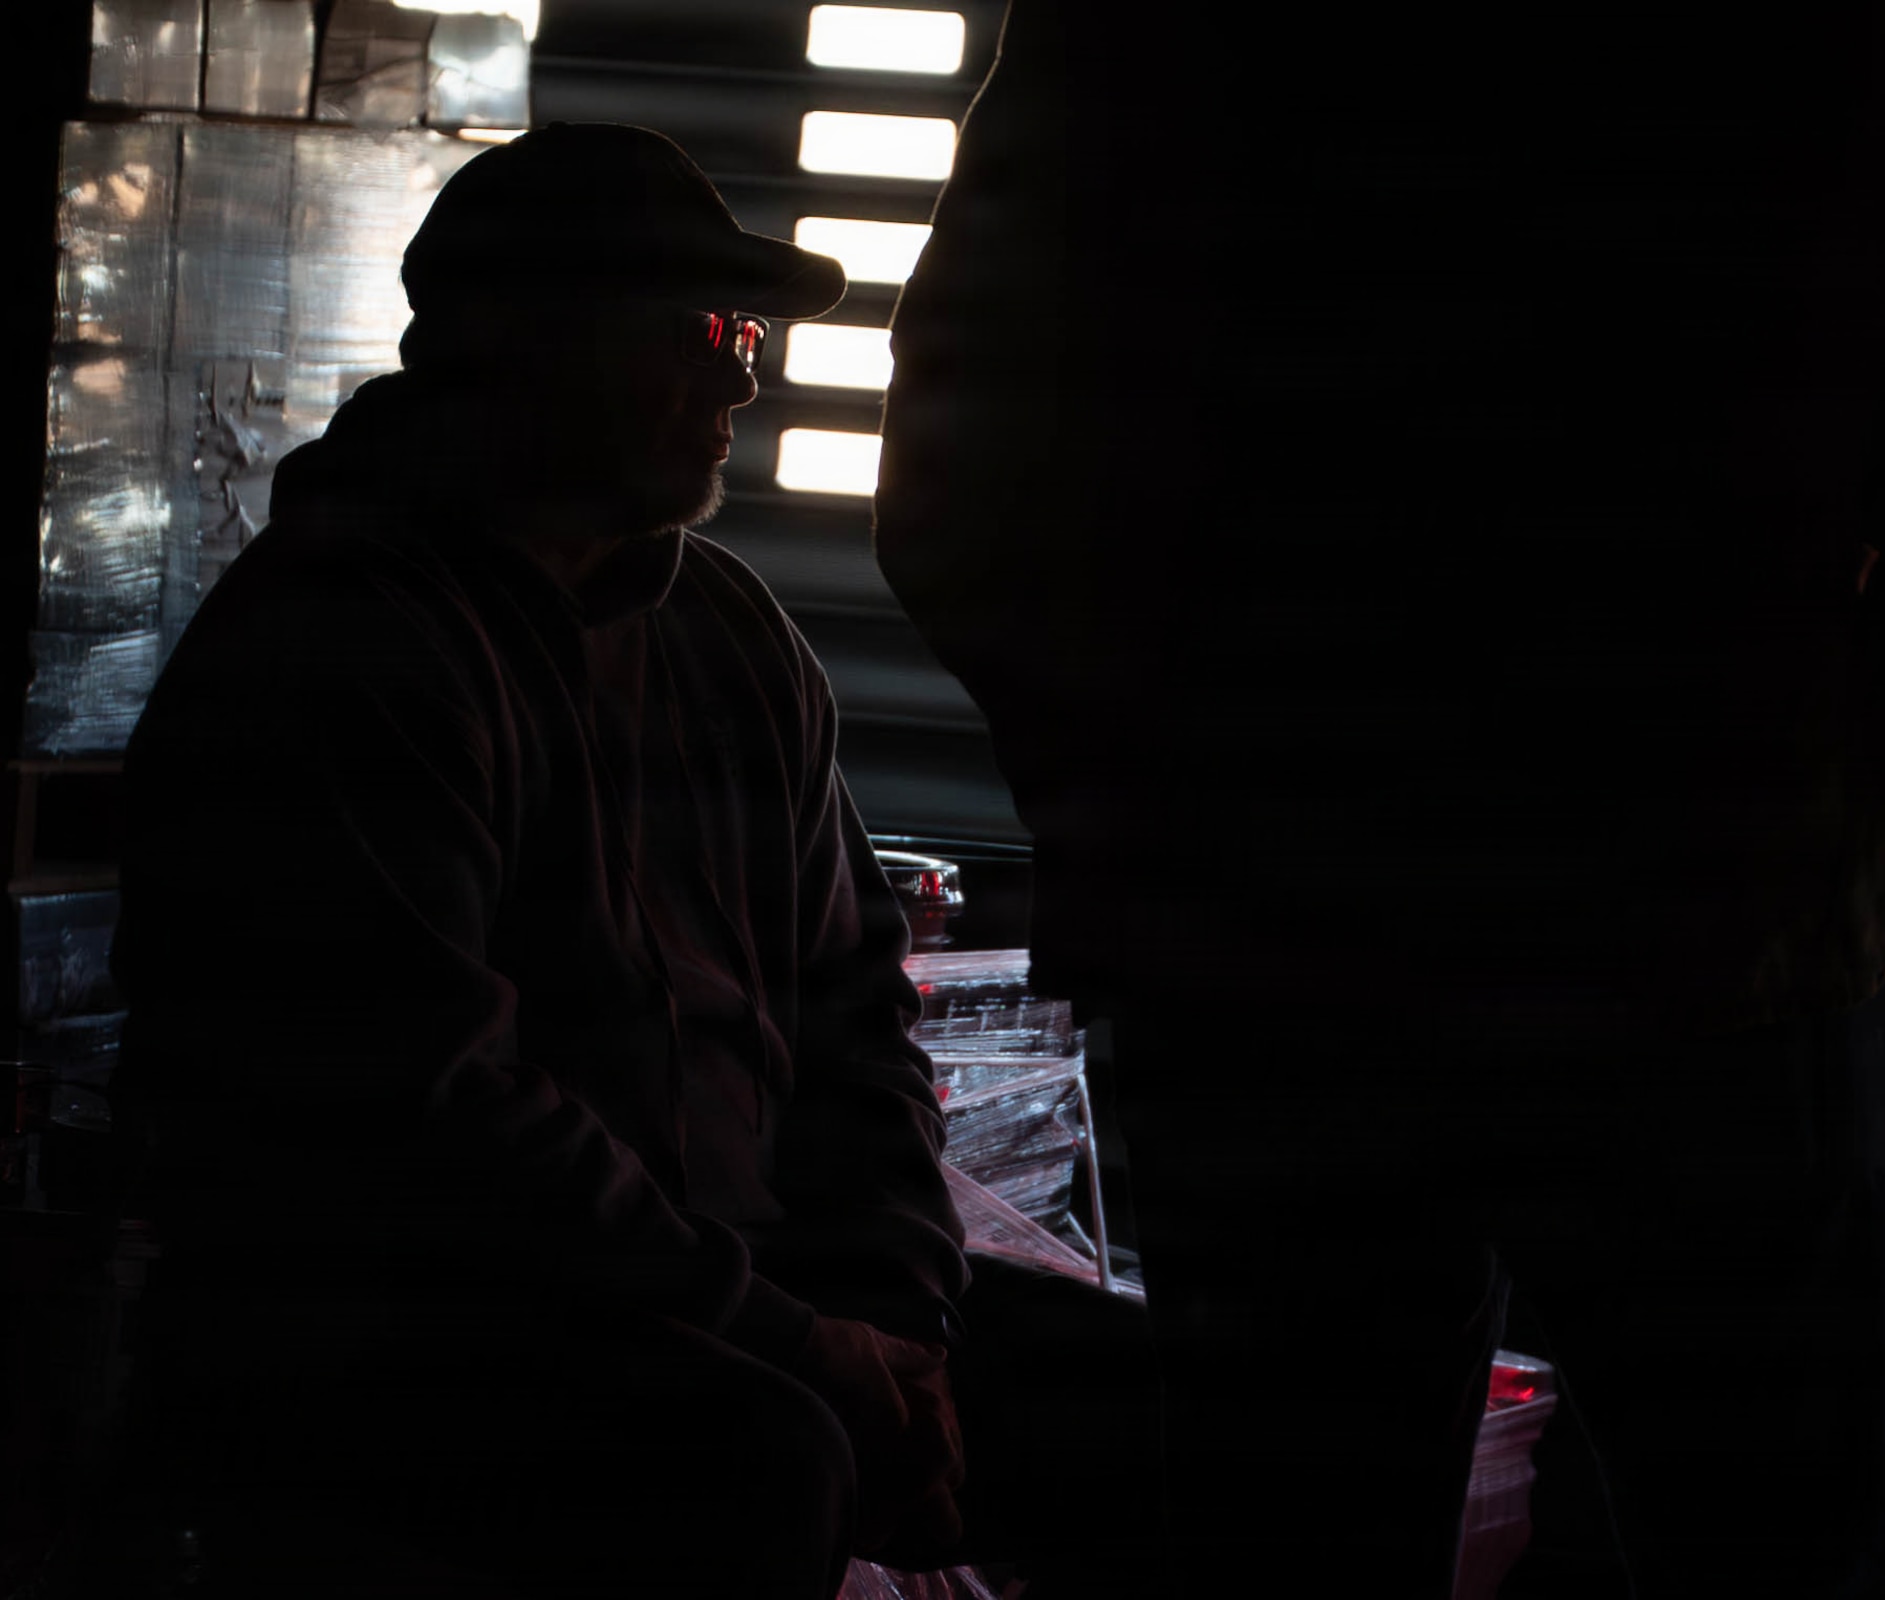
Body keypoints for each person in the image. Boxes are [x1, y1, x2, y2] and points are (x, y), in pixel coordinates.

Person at [875, 4, 1885, 1595]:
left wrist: (1153, 813)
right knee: (1783, 1536)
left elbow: (954, 488)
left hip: (1274, 956)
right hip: (1720, 939)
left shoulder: (1157, 48)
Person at [107, 121, 1163, 1598]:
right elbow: (438, 1120)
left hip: (720, 1300)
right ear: (525, 344)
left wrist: (895, 1326)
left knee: (1138, 1408)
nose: (744, 376)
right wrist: (804, 1347)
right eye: (705, 328)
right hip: (415, 1329)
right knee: (764, 1452)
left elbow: (859, 1015)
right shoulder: (348, 638)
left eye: (749, 336)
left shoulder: (729, 636)